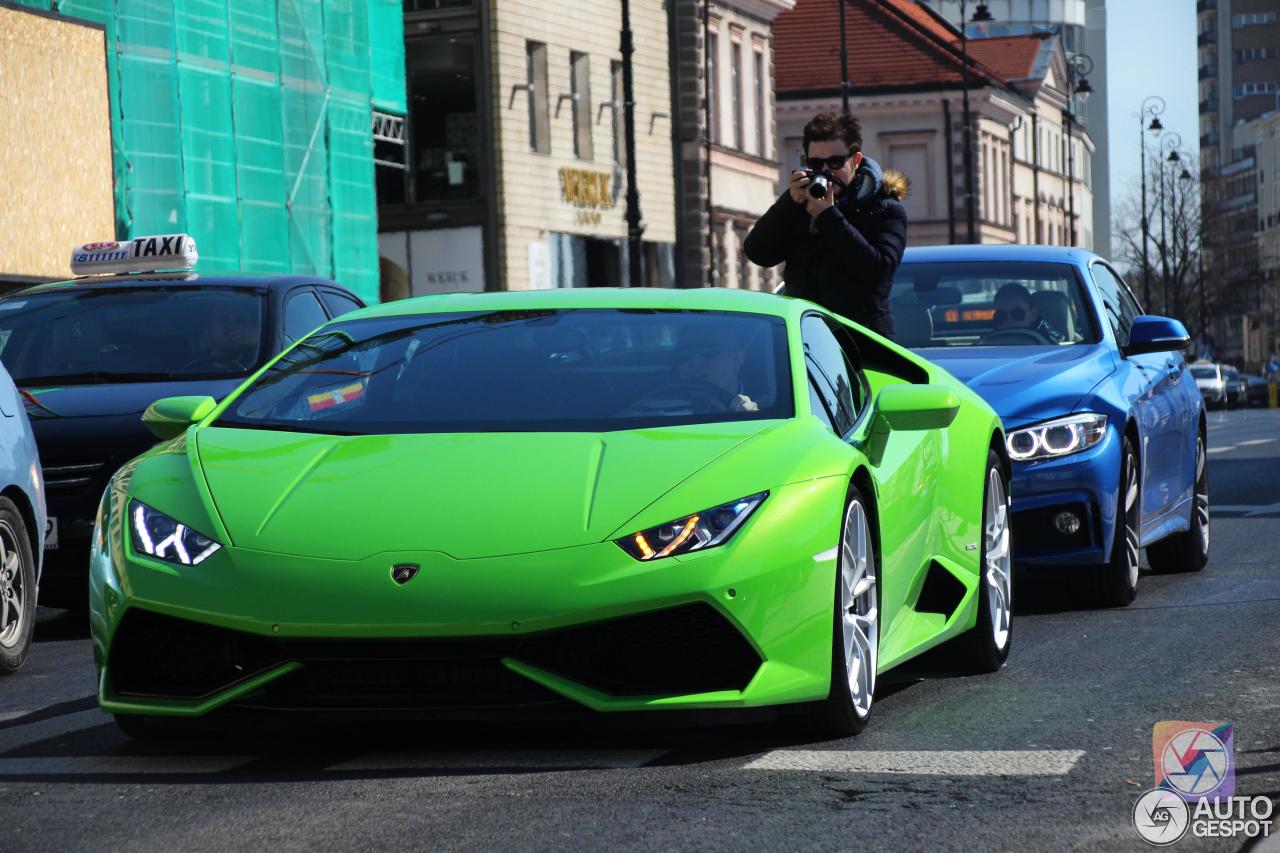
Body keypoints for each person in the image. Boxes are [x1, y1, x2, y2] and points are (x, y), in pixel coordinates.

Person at [743, 112, 908, 338]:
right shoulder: (802, 205)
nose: (826, 171)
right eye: (816, 163)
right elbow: (757, 252)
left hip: (863, 342)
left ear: (856, 160)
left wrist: (828, 217)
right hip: (805, 340)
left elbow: (878, 270)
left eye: (835, 162)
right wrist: (789, 202)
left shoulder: (884, 210)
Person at [674, 326, 758, 412]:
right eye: (683, 353)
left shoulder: (767, 407)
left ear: (738, 358)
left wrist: (753, 416)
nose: (693, 361)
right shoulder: (663, 411)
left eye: (708, 349)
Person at [992, 283, 1064, 343]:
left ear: (1033, 315)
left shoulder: (1051, 346)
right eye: (1001, 315)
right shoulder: (985, 346)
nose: (1009, 320)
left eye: (1017, 313)